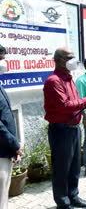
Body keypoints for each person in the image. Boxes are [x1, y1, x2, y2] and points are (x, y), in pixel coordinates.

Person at [43, 47, 86, 209]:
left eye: (74, 57)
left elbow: (76, 102)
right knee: (62, 169)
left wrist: (85, 115)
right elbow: (65, 106)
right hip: (61, 130)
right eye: (69, 57)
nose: (73, 60)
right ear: (59, 60)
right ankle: (63, 202)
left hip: (74, 129)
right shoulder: (54, 81)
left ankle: (73, 196)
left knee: (75, 167)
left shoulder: (69, 78)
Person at [0, 44, 24, 209]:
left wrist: (14, 148)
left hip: (5, 149)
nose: (3, 62)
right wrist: (15, 145)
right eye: (0, 58)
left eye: (3, 58)